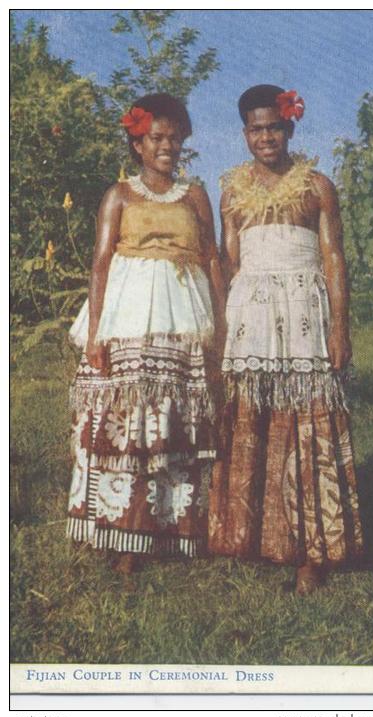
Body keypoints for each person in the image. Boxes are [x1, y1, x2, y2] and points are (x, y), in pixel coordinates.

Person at [208, 85, 363, 594]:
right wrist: (222, 327)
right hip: (251, 314)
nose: (266, 136)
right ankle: (250, 536)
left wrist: (339, 327)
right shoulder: (231, 189)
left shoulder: (316, 185)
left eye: (274, 126)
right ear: (245, 132)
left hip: (302, 312)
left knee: (307, 422)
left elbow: (333, 258)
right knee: (252, 418)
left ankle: (311, 551)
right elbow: (228, 263)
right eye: (256, 128)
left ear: (290, 126)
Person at [67, 93, 225, 574]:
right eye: (157, 138)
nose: (168, 147)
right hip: (131, 307)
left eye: (175, 138)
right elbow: (100, 263)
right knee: (129, 418)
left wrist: (222, 322)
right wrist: (97, 333)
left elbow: (212, 259)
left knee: (176, 418)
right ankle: (123, 534)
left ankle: (171, 530)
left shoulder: (194, 195)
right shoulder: (120, 195)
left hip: (184, 310)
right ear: (137, 144)